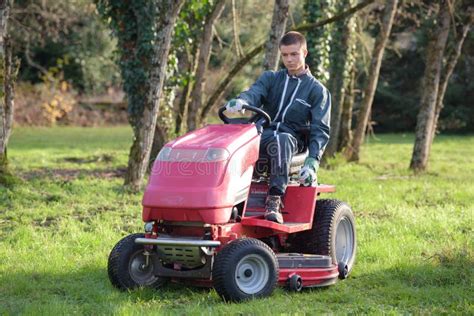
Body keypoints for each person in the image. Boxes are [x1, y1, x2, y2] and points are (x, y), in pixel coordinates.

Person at [225, 31, 331, 224]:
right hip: (263, 133)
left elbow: (320, 130)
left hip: (292, 141)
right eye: (285, 55)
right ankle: (226, 199)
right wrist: (241, 101)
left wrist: (312, 162)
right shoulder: (271, 78)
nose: (289, 60)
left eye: (294, 54)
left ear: (304, 53)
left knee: (281, 139)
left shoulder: (317, 91)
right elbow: (254, 93)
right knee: (235, 140)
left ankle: (274, 200)